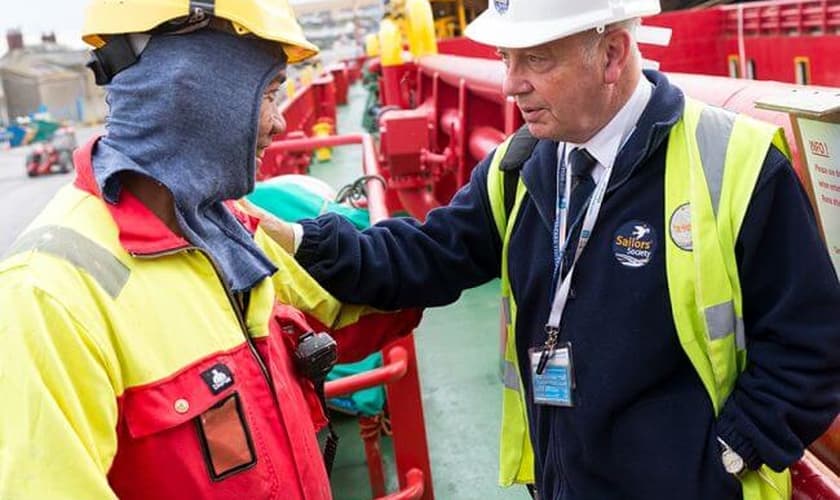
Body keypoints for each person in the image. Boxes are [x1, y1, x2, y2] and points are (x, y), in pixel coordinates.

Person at [258, 0, 840, 498]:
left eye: (536, 59)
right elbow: (431, 254)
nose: (511, 84)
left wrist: (723, 460)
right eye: (506, 59)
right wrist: (302, 240)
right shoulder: (523, 165)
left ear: (612, 54)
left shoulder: (735, 165)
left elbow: (813, 345)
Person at [0, 1, 421, 498]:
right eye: (269, 92)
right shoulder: (46, 297)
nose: (280, 123)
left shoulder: (225, 227)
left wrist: (469, 239)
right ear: (193, 87)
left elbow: (345, 315)